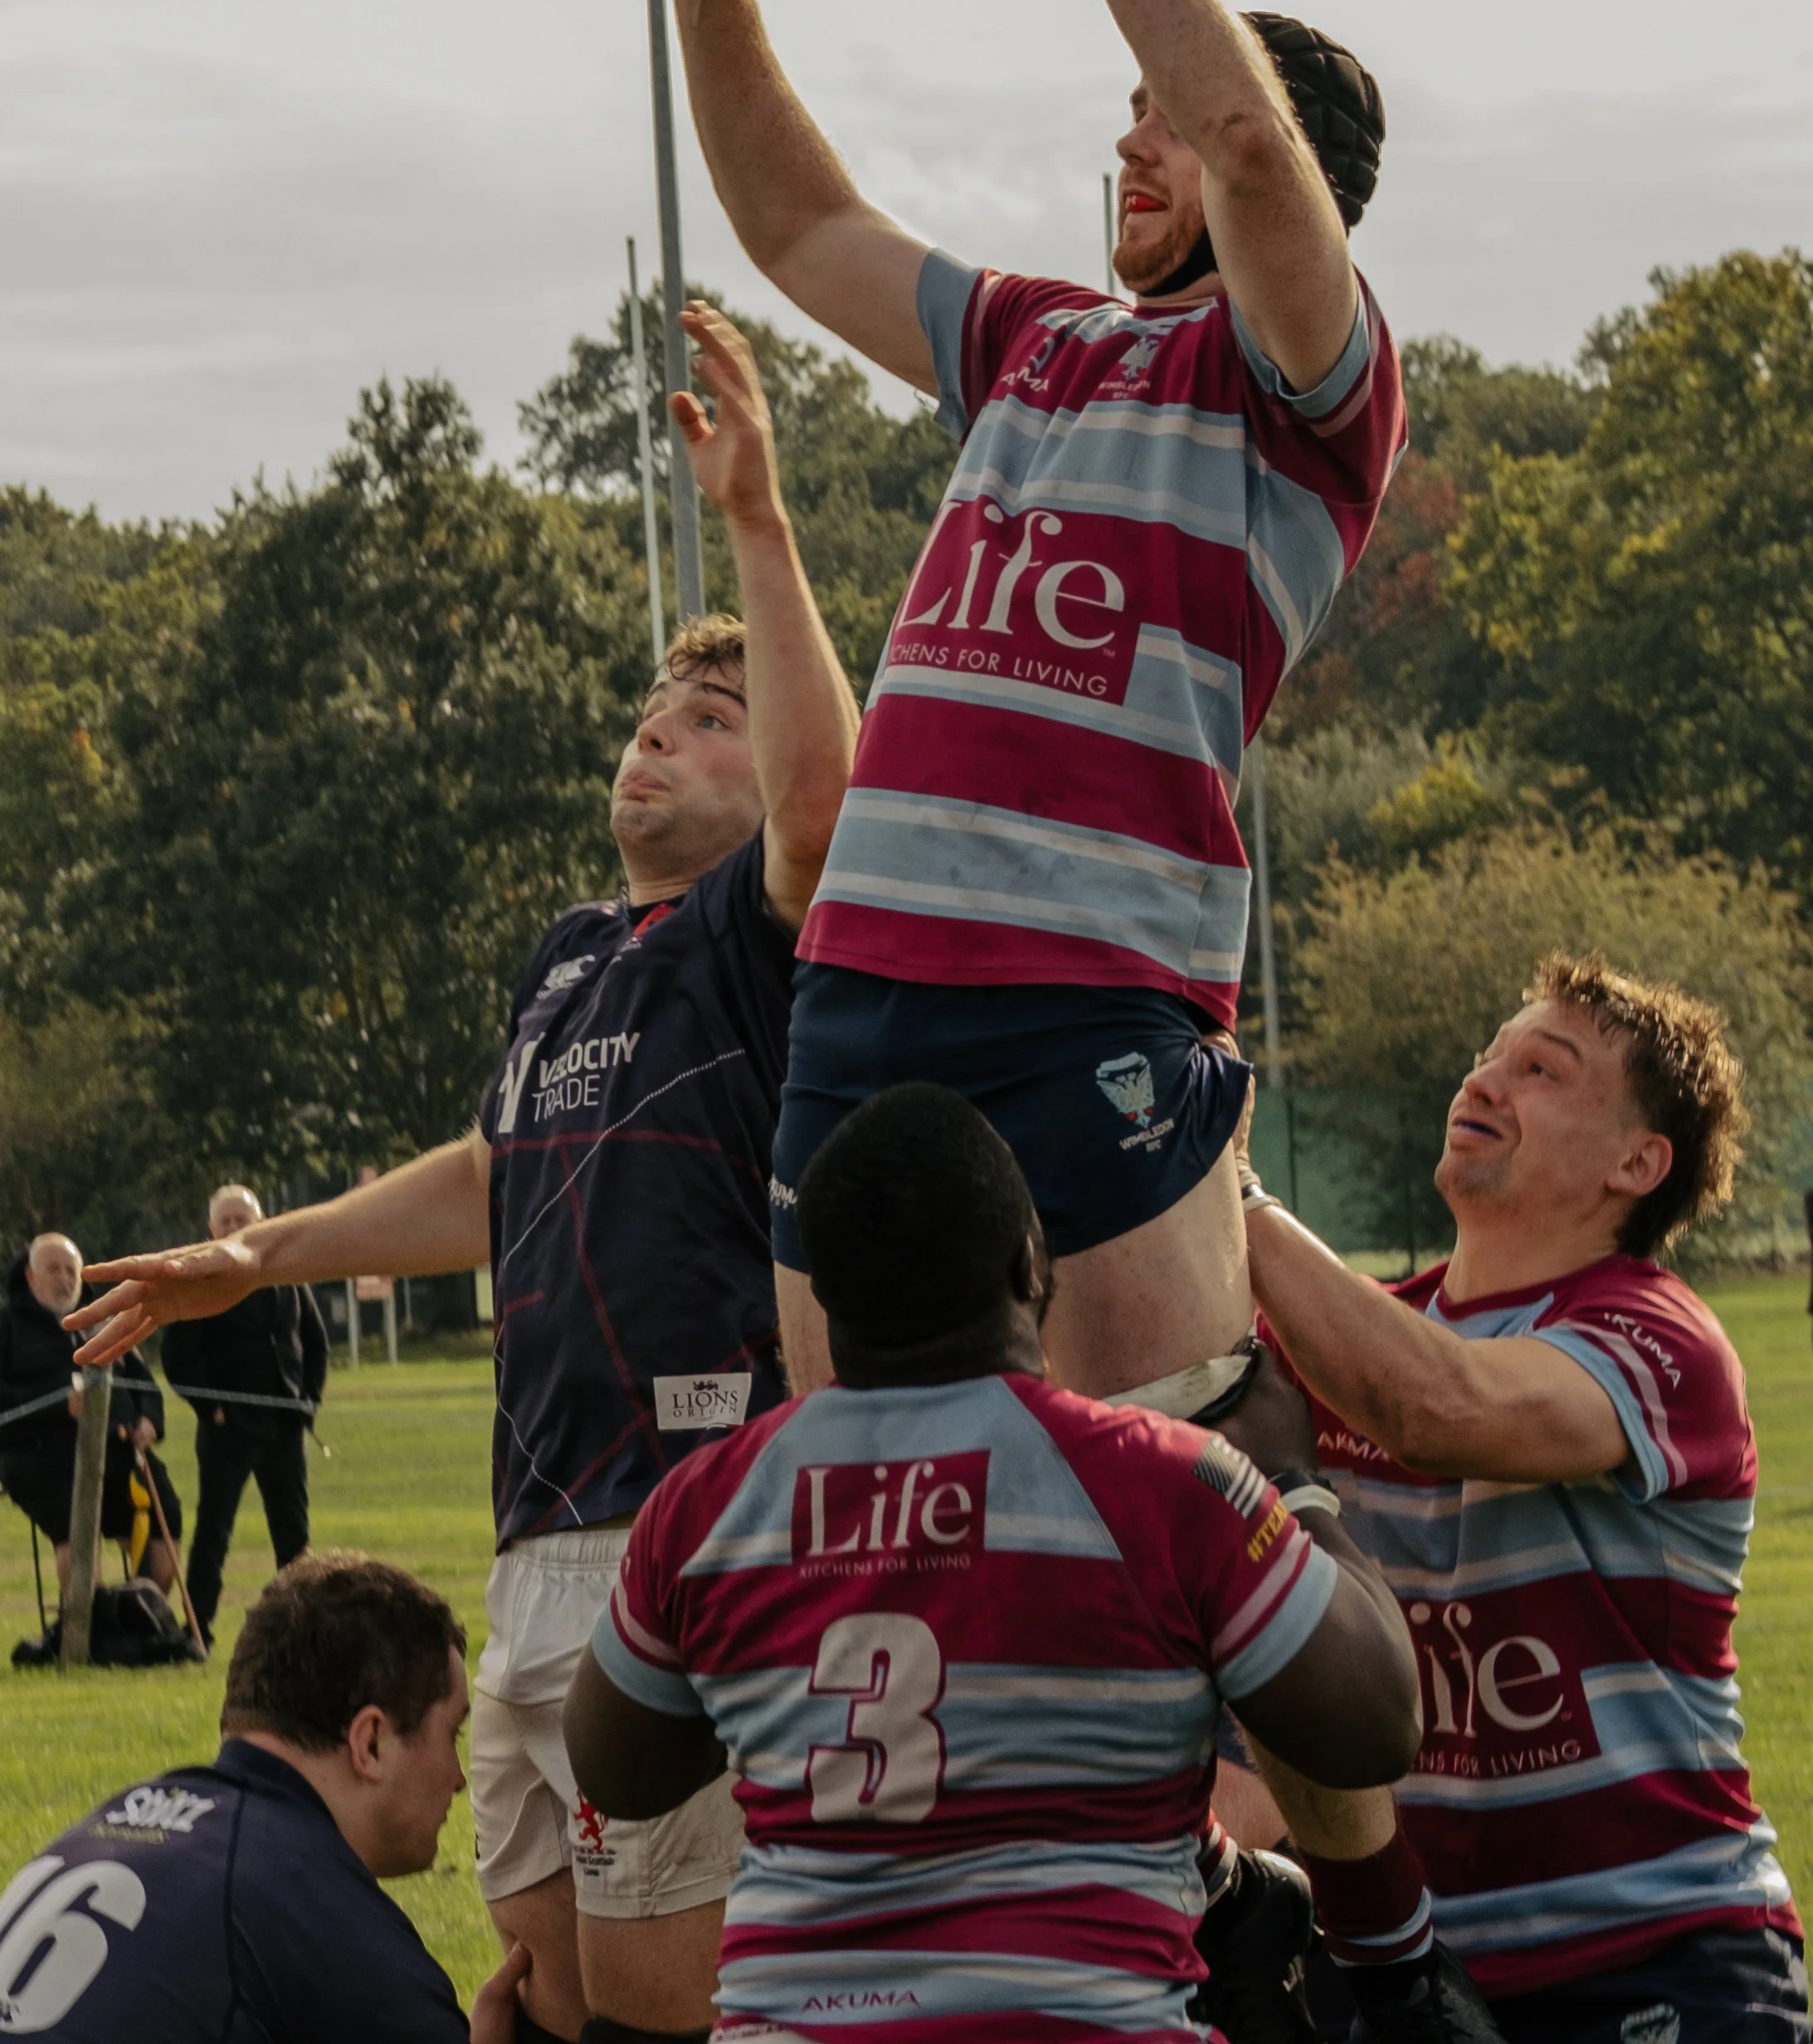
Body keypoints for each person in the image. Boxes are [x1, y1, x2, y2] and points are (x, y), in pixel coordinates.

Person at [560, 0, 1404, 1423]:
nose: (1135, 137)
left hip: (1091, 993)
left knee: (1143, 1513)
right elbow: (799, 226)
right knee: (860, 1503)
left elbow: (1250, 136)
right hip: (863, 987)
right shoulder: (1038, 337)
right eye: (1126, 117)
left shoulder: (1301, 381)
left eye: (1154, 110)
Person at [71, 306, 860, 2044]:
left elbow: (824, 802)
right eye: (654, 711)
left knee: (673, 2005)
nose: (659, 737)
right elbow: (502, 1174)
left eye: (710, 717)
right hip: (536, 1540)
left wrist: (759, 519)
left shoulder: (757, 939)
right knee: (557, 1995)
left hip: (691, 1516)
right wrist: (255, 1254)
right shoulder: (571, 954)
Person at [562, 1080, 1423, 2044]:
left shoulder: (710, 1502)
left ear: (828, 1293)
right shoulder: (1155, 1481)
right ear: (1031, 1261)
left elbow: (616, 1770)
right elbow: (1375, 1721)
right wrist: (1294, 1482)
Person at [1235, 952, 1807, 2043]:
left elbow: (1437, 1405)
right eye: (1488, 1056)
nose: (1483, 1081)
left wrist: (1230, 1185)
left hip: (1661, 1956)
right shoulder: (1332, 1345)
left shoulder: (1657, 1339)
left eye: (1541, 1069)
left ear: (1638, 1161)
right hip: (1406, 1972)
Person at [0, 1550, 529, 2041]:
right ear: (370, 1742)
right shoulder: (314, 1906)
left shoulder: (110, 1825)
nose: (460, 1777)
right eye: (451, 1734)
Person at [162, 1183, 329, 1647]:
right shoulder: (198, 1282)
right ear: (211, 1228)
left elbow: (315, 1344)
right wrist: (210, 1408)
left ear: (261, 1222)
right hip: (227, 1430)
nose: (235, 1228)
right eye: (226, 1221)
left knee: (294, 1536)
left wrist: (307, 1401)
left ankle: (301, 1632)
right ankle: (196, 1633)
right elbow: (178, 1360)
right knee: (214, 1532)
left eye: (244, 1220)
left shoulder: (286, 1275)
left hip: (284, 1424)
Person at [0, 1230, 181, 1608]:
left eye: (71, 1270)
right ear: (30, 1276)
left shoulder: (101, 1322)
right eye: (53, 1270)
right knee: (75, 1531)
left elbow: (143, 1384)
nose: (64, 1278)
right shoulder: (7, 1328)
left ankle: (137, 1619)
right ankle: (84, 1629)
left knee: (167, 1520)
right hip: (39, 1457)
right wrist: (58, 1406)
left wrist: (149, 1419)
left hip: (117, 1451)